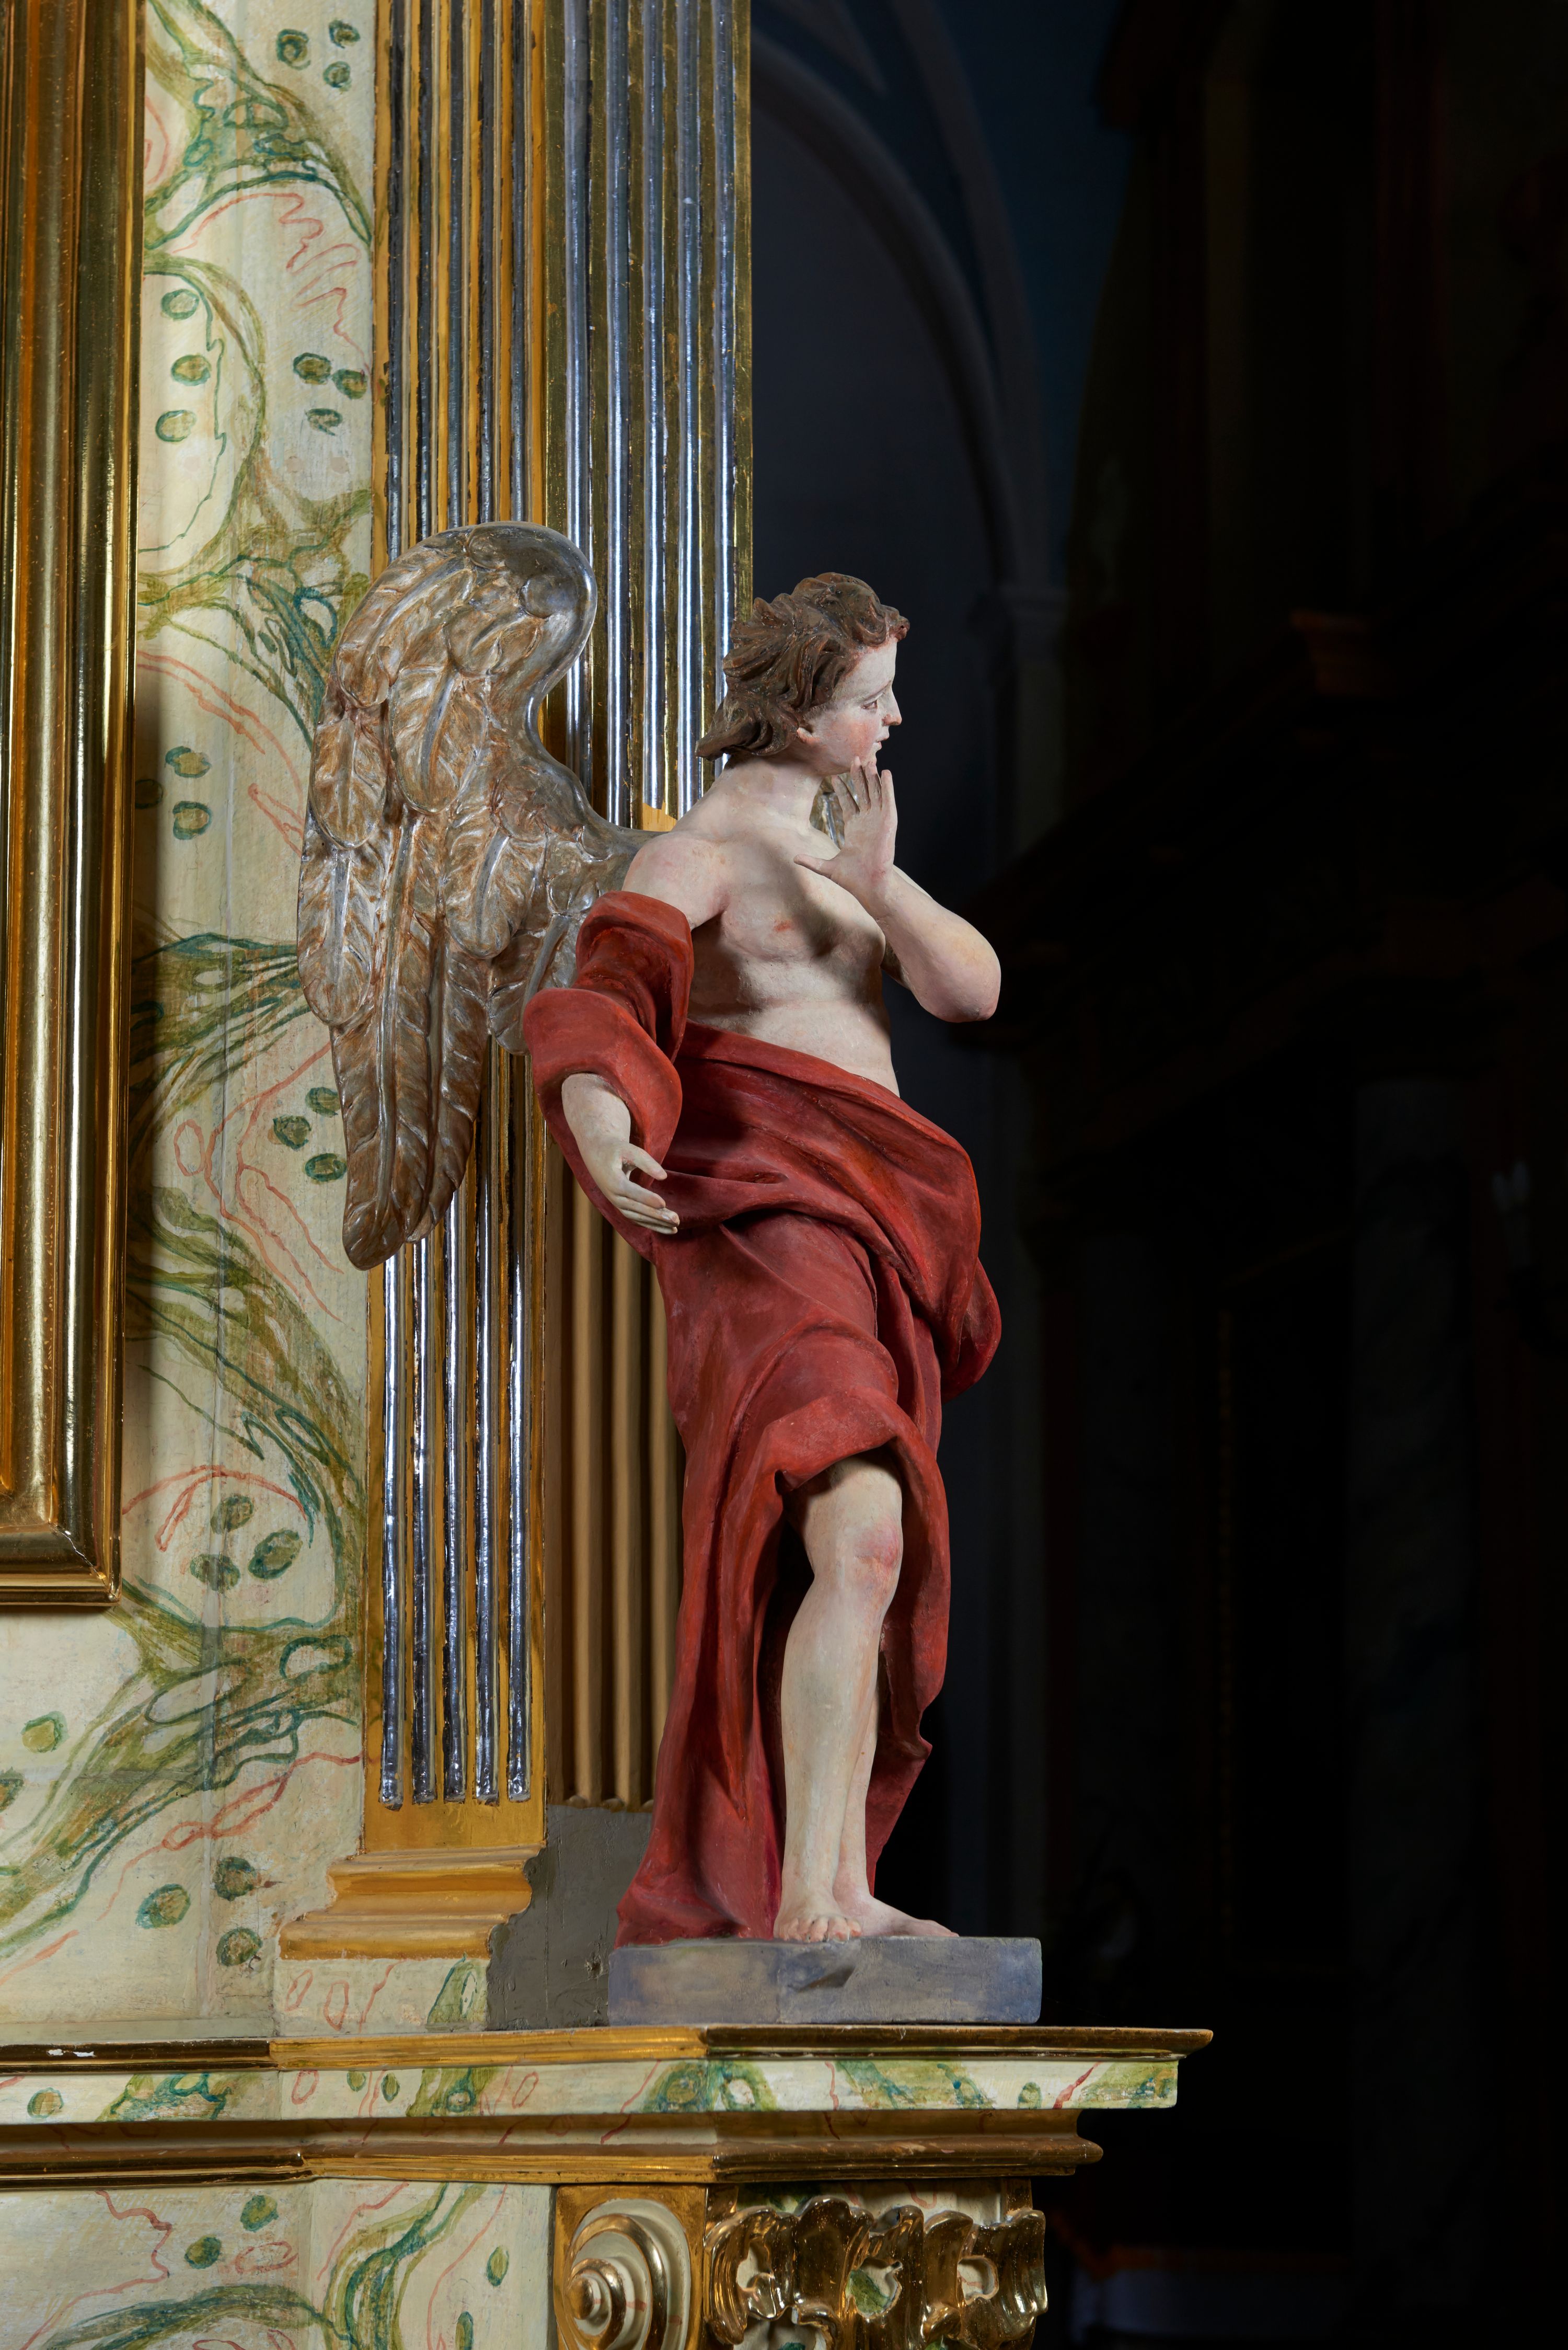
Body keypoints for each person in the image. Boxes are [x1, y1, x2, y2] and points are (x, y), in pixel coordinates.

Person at [523, 574, 1001, 1944]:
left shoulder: (849, 839)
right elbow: (611, 993)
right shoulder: (703, 851)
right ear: (796, 714)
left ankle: (838, 1883)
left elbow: (972, 990)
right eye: (868, 702)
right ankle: (806, 1897)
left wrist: (881, 885)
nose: (891, 721)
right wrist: (600, 1113)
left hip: (876, 1228)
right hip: (768, 1231)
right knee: (862, 1537)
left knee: (865, 1556)